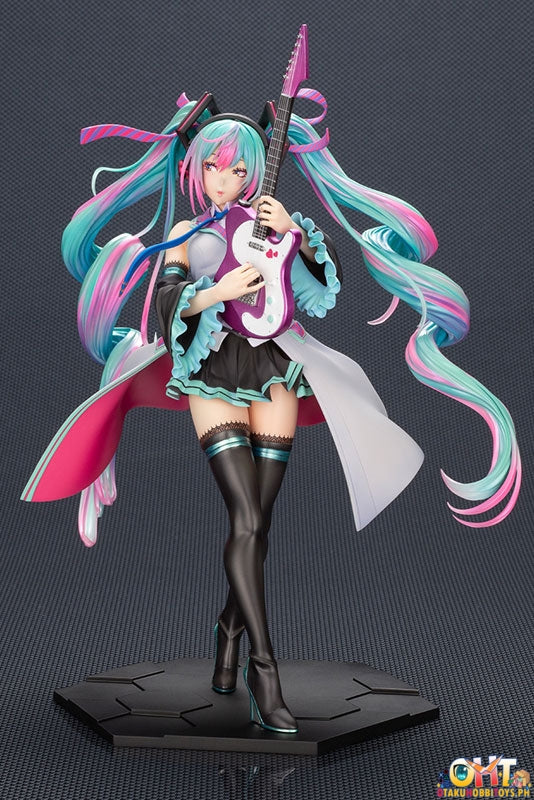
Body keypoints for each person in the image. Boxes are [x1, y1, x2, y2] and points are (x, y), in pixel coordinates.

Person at [22, 90, 520, 734]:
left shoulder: (271, 222)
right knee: (246, 517)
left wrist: (294, 234)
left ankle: (228, 630)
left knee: (261, 519)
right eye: (212, 167)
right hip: (211, 372)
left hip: (277, 368)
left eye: (236, 169)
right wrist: (217, 292)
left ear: (254, 173)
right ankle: (265, 670)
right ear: (195, 168)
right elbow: (167, 302)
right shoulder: (184, 235)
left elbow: (318, 289)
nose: (222, 180)